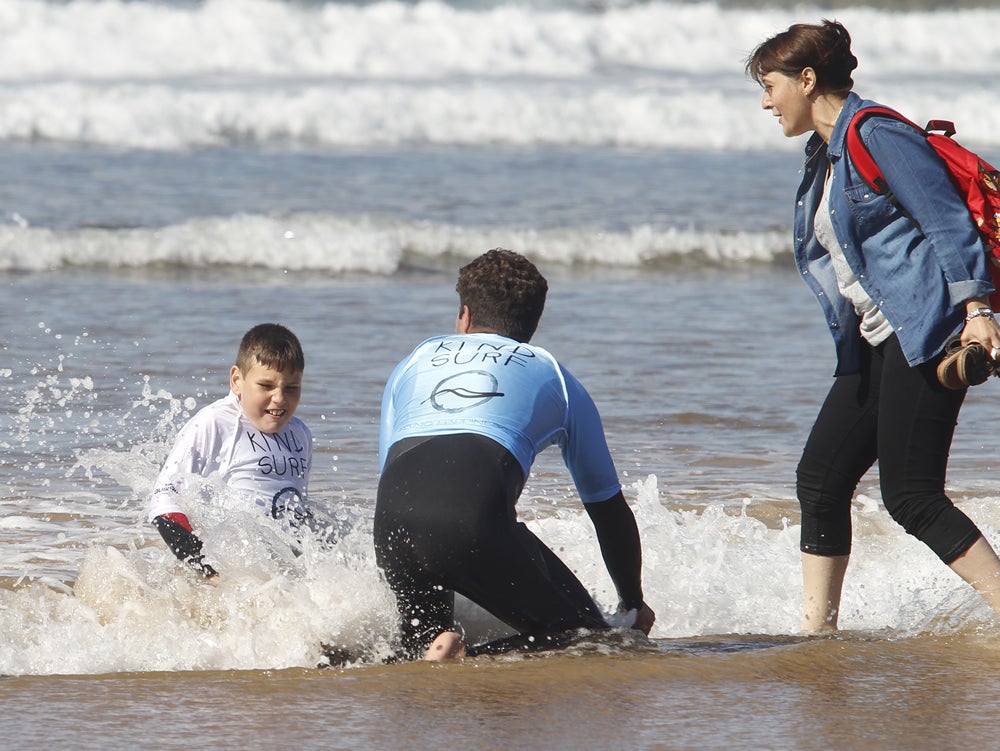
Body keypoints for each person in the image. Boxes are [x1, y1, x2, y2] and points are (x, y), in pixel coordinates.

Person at [746, 20, 1000, 631]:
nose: (764, 101)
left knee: (911, 495)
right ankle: (817, 633)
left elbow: (947, 224)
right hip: (877, 341)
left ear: (807, 81)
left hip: (928, 333)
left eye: (770, 85)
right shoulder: (824, 158)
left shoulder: (877, 133)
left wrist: (978, 312)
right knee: (821, 478)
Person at [374, 248, 655, 661]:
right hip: (469, 521)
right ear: (533, 325)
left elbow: (391, 474)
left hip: (392, 522)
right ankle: (472, 658)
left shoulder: (415, 359)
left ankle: (437, 647)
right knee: (592, 641)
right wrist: (632, 602)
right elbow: (606, 505)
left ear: (464, 317)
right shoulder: (553, 374)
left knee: (423, 652)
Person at [147, 322, 313, 579]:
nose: (280, 398)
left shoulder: (300, 434)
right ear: (237, 380)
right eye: (266, 386)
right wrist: (209, 572)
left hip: (279, 574)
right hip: (227, 574)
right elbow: (164, 502)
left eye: (291, 388)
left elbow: (297, 508)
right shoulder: (215, 423)